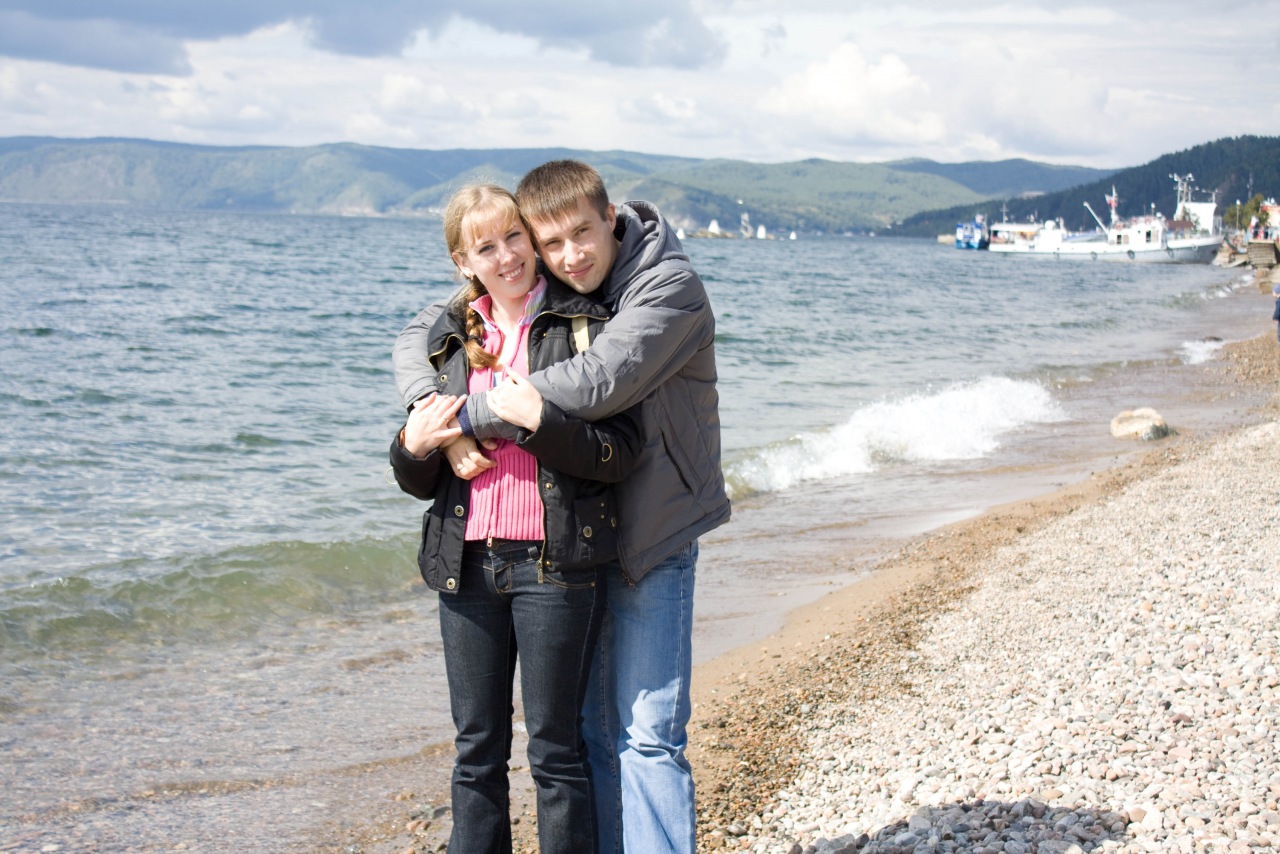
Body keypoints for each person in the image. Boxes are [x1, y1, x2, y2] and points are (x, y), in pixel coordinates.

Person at [394, 161, 730, 853]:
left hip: (650, 527)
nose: (568, 254)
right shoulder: (503, 312)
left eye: (580, 234)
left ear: (611, 219)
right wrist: (423, 424)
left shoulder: (661, 288)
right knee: (583, 733)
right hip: (564, 538)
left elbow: (597, 384)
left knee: (646, 735)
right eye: (551, 241)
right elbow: (416, 333)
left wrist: (465, 419)